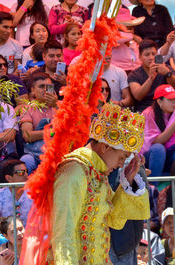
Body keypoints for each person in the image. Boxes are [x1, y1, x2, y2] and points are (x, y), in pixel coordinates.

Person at [19, 103, 150, 264]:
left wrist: (128, 182)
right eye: (122, 157)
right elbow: (63, 233)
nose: (121, 163)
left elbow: (113, 220)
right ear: (105, 147)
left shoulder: (96, 172)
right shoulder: (75, 171)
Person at [141, 85, 175, 178]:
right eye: (170, 100)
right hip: (150, 157)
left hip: (170, 154)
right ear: (159, 101)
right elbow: (155, 141)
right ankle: (153, 187)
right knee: (158, 148)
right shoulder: (148, 113)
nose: (174, 103)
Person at [19, 72, 57, 173]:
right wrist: (52, 133)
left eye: (48, 87)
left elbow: (71, 128)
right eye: (41, 87)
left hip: (58, 153)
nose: (45, 90)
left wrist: (56, 105)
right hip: (34, 154)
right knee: (25, 162)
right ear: (32, 90)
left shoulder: (61, 107)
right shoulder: (27, 109)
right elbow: (28, 136)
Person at [128, 39, 175, 113]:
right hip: (143, 111)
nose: (151, 57)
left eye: (153, 54)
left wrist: (168, 74)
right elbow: (138, 96)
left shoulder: (166, 68)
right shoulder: (134, 75)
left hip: (164, 109)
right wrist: (151, 78)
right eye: (147, 55)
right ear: (140, 57)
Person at [0, 160, 32, 238]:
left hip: (30, 237)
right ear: (9, 178)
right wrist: (8, 238)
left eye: (26, 171)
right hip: (5, 238)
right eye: (20, 172)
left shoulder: (34, 194)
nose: (26, 175)